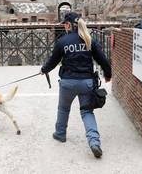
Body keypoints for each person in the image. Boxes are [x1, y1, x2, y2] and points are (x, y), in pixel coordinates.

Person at [41, 12, 112, 159]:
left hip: (67, 82)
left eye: (64, 25)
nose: (64, 27)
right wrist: (108, 74)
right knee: (87, 112)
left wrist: (44, 70)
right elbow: (103, 59)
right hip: (86, 83)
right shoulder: (89, 39)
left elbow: (53, 61)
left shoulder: (63, 41)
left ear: (68, 25)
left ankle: (60, 134)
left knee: (63, 108)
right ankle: (94, 142)